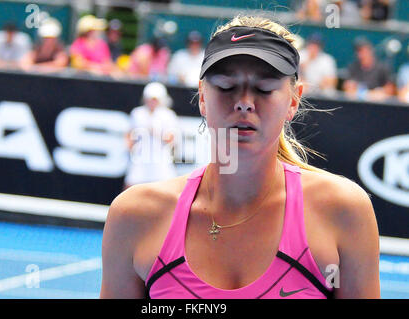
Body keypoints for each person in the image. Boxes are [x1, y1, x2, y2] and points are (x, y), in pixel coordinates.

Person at [101, 15, 380, 299]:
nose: (245, 102)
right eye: (225, 86)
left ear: (293, 100)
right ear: (202, 97)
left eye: (264, 88)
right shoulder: (134, 216)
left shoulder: (344, 211)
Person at [124, 82, 179, 189]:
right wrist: (130, 146)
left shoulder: (168, 115)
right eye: (150, 99)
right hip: (140, 158)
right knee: (130, 186)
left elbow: (171, 139)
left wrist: (156, 132)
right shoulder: (137, 113)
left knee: (167, 188)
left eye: (155, 99)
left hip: (161, 159)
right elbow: (129, 134)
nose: (152, 102)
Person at [342, 37, 393, 101]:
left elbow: (389, 89)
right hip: (357, 103)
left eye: (363, 50)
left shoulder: (382, 67)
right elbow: (348, 87)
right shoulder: (352, 67)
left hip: (377, 104)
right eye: (358, 51)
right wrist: (365, 95)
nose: (361, 54)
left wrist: (377, 93)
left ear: (370, 51)